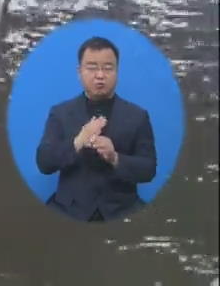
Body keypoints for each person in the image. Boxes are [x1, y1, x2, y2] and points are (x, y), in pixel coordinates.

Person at [35, 36, 157, 221]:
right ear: (79, 71)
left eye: (108, 68)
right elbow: (44, 163)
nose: (100, 75)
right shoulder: (60, 113)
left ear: (117, 71)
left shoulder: (138, 116)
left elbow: (148, 170)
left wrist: (115, 158)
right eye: (92, 68)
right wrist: (78, 141)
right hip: (69, 210)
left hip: (122, 210)